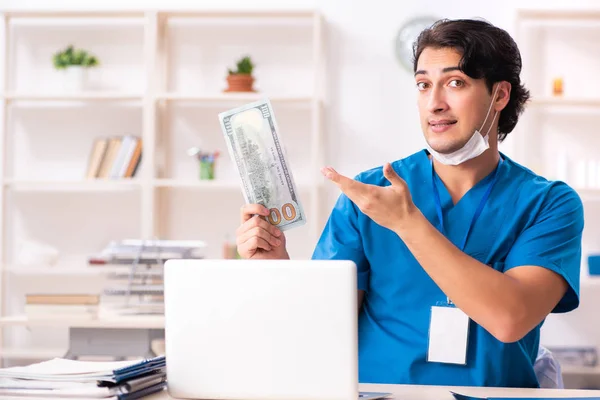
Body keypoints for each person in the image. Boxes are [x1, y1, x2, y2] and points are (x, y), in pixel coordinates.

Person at [235, 18, 584, 388]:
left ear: (499, 96)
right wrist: (275, 267)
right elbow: (323, 331)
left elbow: (511, 318)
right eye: (423, 85)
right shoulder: (368, 195)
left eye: (455, 83)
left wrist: (407, 223)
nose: (434, 103)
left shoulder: (548, 203)